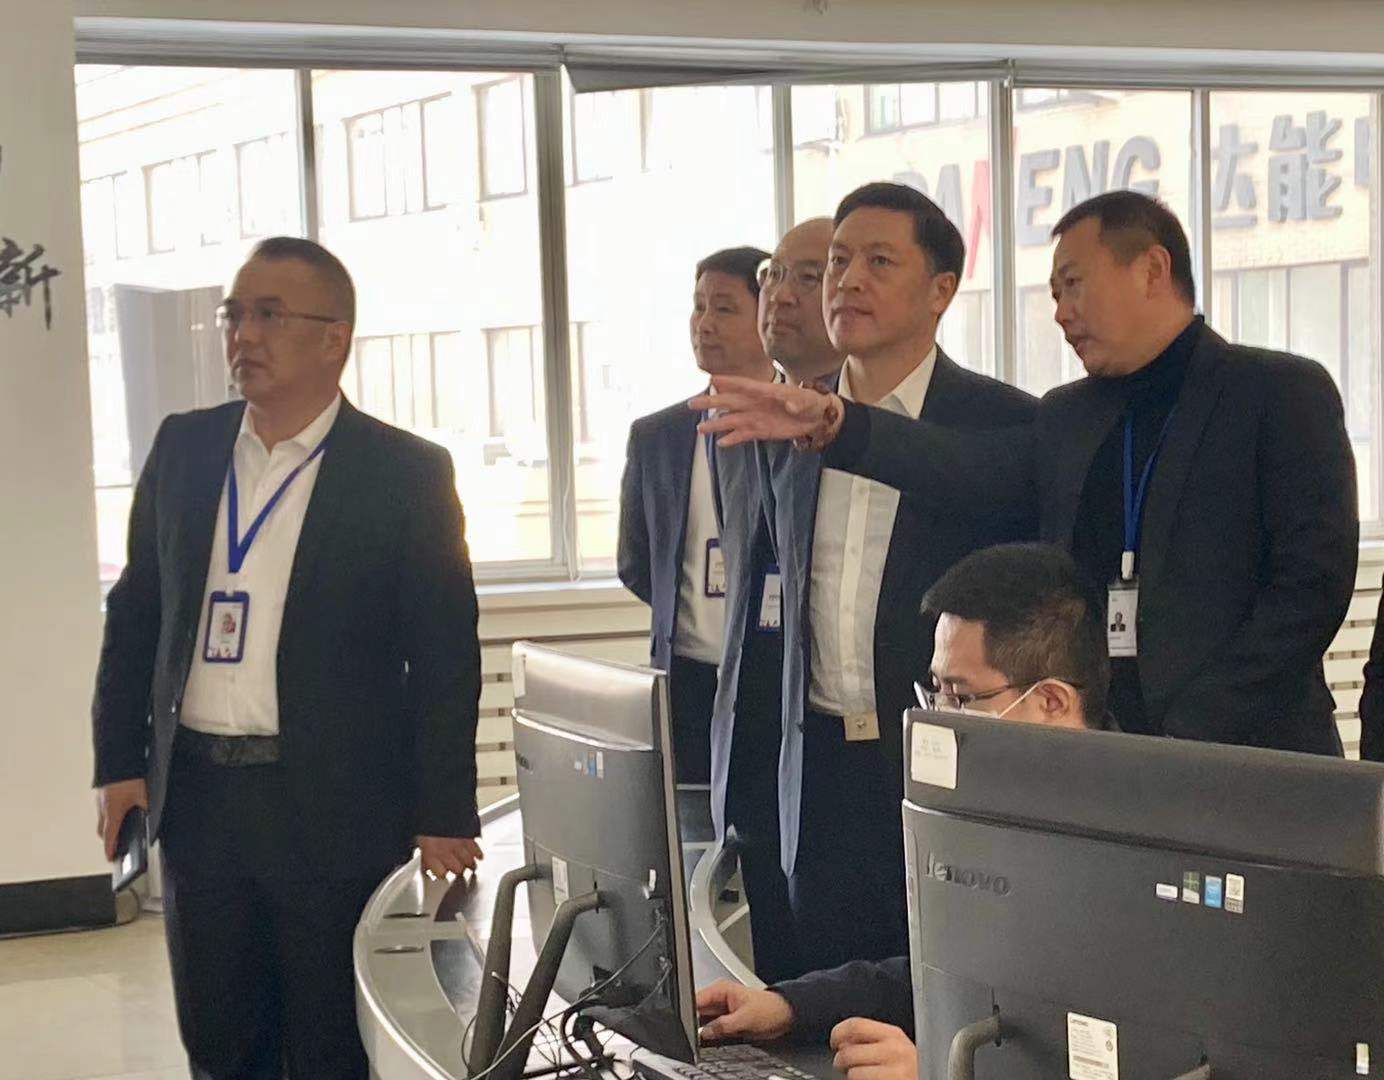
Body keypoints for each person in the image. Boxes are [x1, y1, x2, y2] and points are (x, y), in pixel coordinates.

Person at [700, 188, 1358, 756]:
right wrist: (839, 425)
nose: (1061, 312)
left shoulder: (1274, 392)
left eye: (1074, 284)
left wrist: (1193, 724)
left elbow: (1311, 586)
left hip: (1250, 752)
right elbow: (967, 468)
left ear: (1152, 270)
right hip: (1097, 751)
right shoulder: (1072, 415)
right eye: (1054, 293)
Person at [90, 237, 482, 1080]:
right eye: (234, 315)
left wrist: (445, 809)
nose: (243, 336)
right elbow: (136, 613)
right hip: (200, 803)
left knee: (330, 1042)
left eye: (268, 316)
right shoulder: (185, 450)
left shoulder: (404, 472)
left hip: (336, 807)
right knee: (220, 1039)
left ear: (334, 337)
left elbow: (445, 654)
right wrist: (119, 762)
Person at [698, 183, 1037, 972]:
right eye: (839, 262)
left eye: (879, 262)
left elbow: (980, 488)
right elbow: (766, 621)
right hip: (815, 775)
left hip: (942, 768)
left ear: (941, 289)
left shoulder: (1004, 421)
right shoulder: (785, 423)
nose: (847, 281)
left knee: (943, 991)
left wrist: (846, 428)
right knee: (813, 1005)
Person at [696, 542, 1110, 1080]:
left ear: (1052, 702)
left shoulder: (1144, 845)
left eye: (961, 697)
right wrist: (790, 1005)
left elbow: (1120, 1052)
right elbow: (936, 974)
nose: (940, 718)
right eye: (935, 690)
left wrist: (938, 1073)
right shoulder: (981, 809)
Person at [708, 219, 846, 982]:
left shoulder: (871, 429)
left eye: (806, 277)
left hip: (834, 756)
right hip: (757, 740)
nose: (781, 296)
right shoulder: (744, 423)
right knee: (772, 984)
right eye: (772, 276)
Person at [618, 246, 775, 783]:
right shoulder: (657, 436)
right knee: (686, 819)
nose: (704, 324)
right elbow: (636, 562)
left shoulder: (806, 424)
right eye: (698, 306)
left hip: (776, 678)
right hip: (685, 677)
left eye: (724, 308)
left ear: (768, 315)